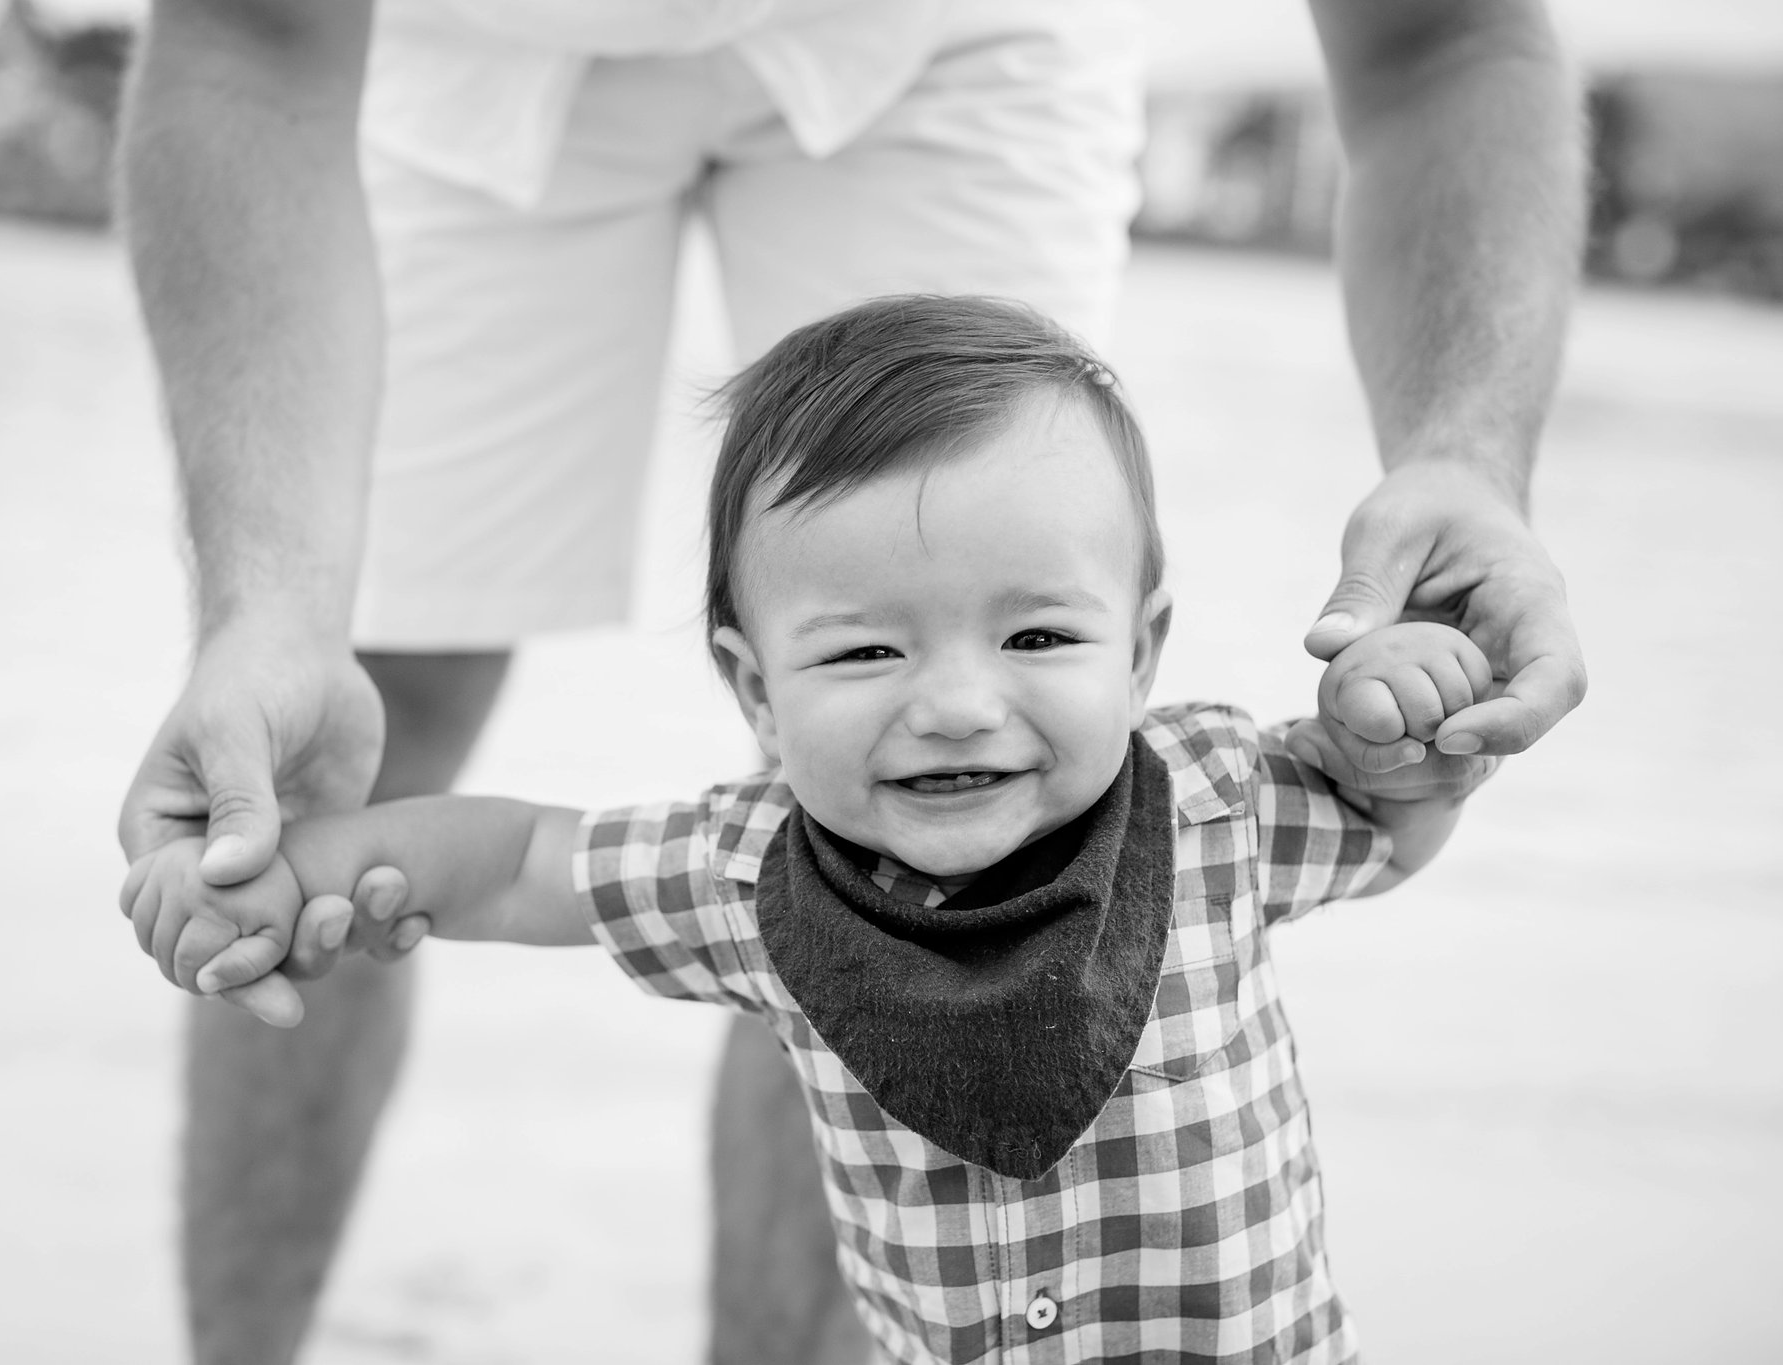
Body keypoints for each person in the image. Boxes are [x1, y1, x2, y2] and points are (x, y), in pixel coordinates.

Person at [115, 1, 1587, 1360]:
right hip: (467, 41)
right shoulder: (741, 872)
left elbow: (1442, 40)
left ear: (1149, 649)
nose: (953, 703)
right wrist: (281, 824)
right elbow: (513, 861)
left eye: (1043, 644)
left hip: (943, 32)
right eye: (867, 655)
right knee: (351, 710)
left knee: (995, 531)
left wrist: (1442, 574)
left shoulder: (1209, 797)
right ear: (746, 686)